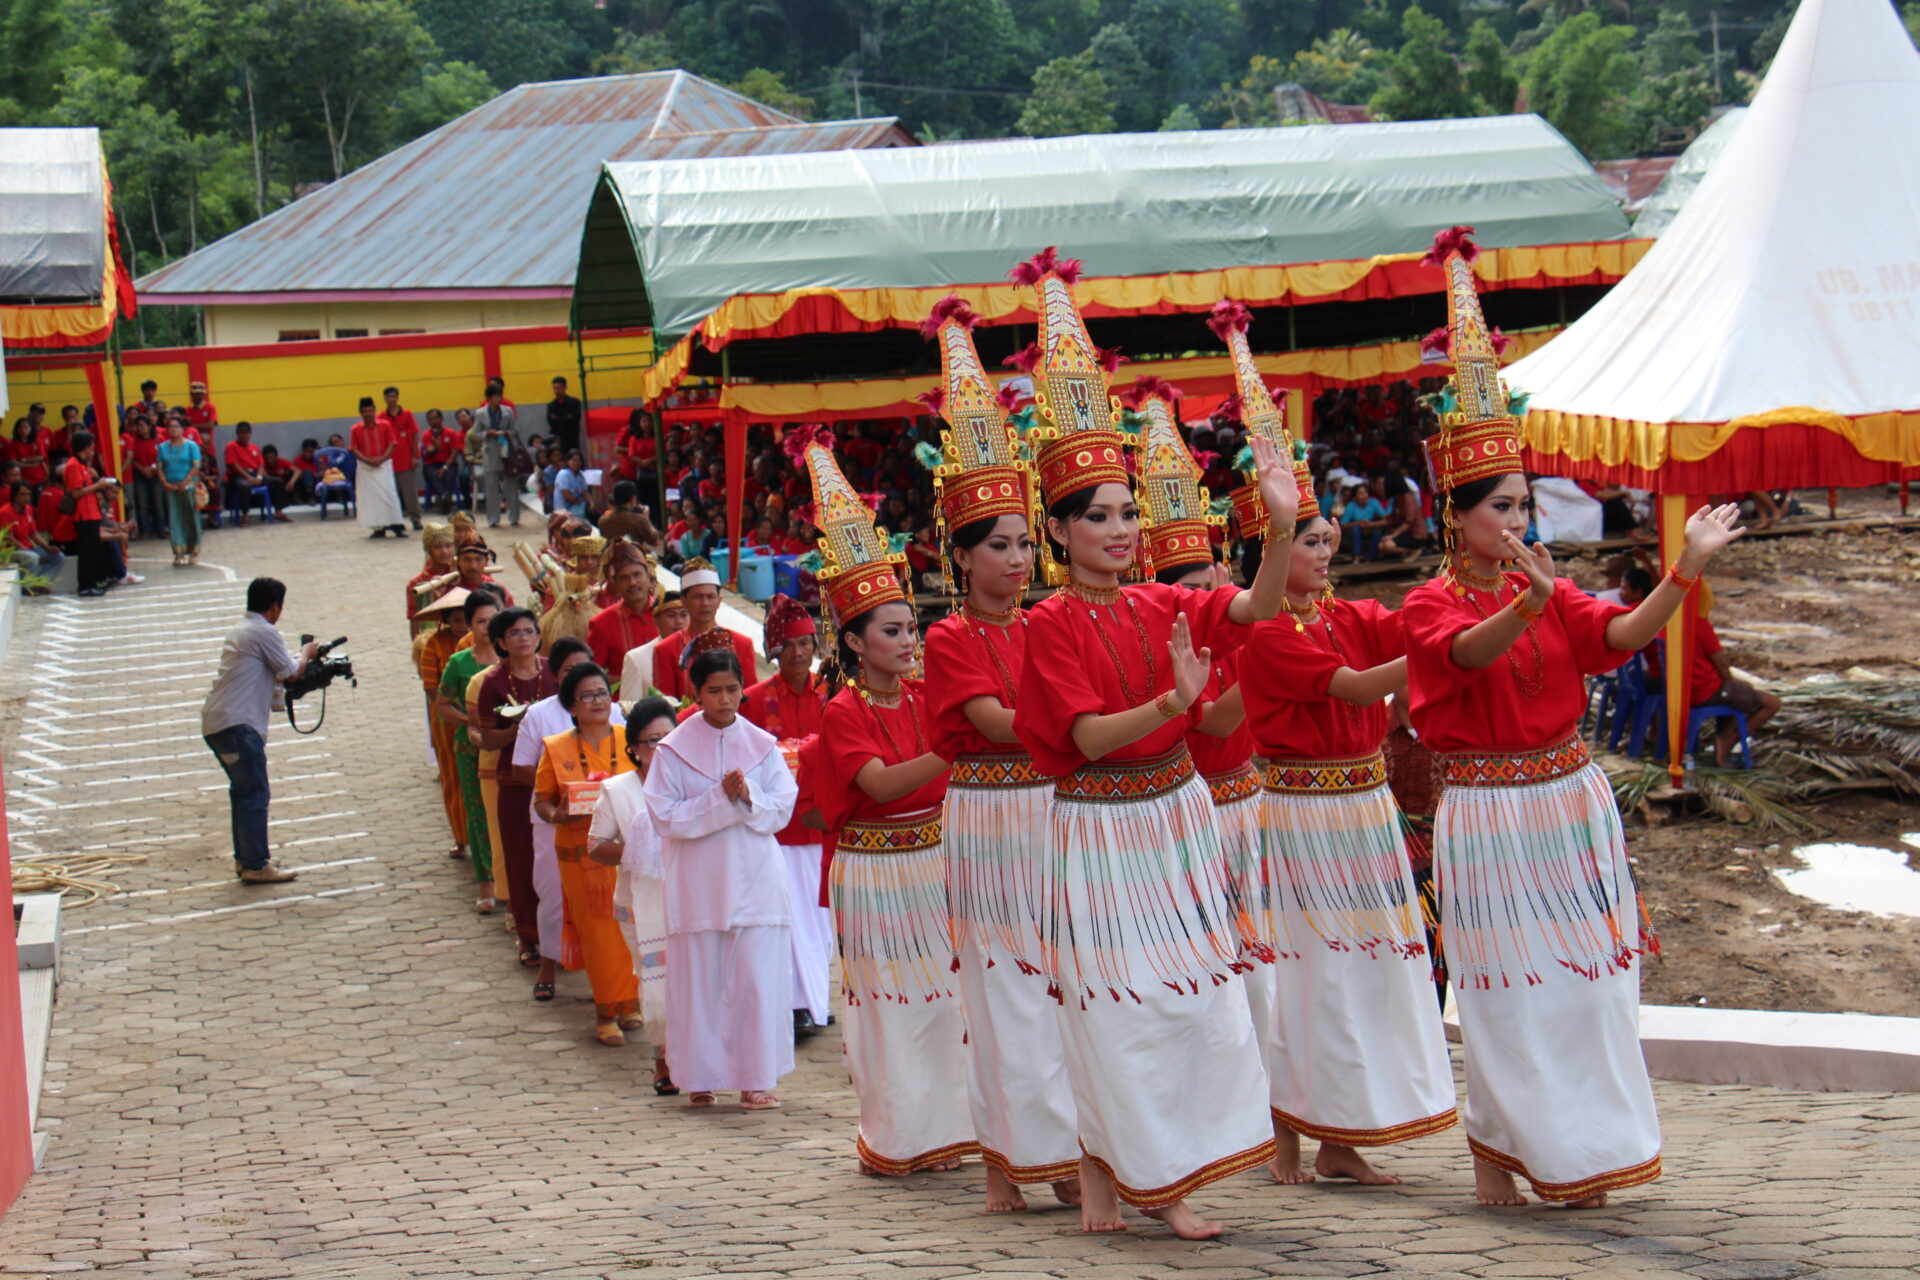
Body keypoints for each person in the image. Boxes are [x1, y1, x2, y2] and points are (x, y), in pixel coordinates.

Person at [1401, 227, 1745, 1209]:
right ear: (1456, 513)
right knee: (1510, 987)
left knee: (1590, 984)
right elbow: (1462, 657)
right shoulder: (1434, 601)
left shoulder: (1549, 588)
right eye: (1501, 505)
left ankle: (1586, 1145)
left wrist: (1686, 566)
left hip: (1568, 801)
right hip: (1490, 809)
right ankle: (1498, 1144)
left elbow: (1626, 629)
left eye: (1523, 503)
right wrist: (1522, 601)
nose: (1518, 521)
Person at [1006, 268, 1296, 1239]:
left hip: (1174, 816)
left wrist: (1284, 520)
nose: (1122, 533)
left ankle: (1137, 1176)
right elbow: (1086, 738)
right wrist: (1171, 702)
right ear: (1056, 529)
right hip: (1101, 825)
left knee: (1189, 998)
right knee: (1115, 1005)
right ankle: (1133, 1180)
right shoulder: (1047, 623)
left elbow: (1254, 606)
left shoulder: (1164, 600)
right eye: (1099, 517)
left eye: (1130, 515)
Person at [1239, 468, 1456, 1187]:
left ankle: (1339, 1135)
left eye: (1327, 536)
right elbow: (1358, 686)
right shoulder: (1267, 631)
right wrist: (1441, 650)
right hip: (1303, 816)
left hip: (1365, 808)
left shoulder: (1348, 615)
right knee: (1309, 976)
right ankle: (1287, 1134)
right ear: (1270, 549)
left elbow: (1421, 628)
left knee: (1363, 972)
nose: (1325, 548)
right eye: (1309, 539)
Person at [915, 296, 1080, 1212]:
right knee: (1001, 986)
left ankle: (1064, 1149)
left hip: (1054, 806)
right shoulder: (946, 642)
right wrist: (1100, 726)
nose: (1018, 560)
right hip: (989, 811)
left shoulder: (1052, 622)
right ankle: (1004, 1162)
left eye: (1025, 543)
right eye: (1001, 546)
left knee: (1058, 981)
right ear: (962, 552)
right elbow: (998, 722)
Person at [800, 435, 974, 1178]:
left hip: (935, 861)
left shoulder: (932, 697)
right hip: (875, 870)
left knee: (947, 1006)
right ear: (854, 640)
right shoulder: (843, 711)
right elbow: (876, 786)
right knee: (893, 1009)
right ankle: (899, 1138)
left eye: (912, 628)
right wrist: (960, 750)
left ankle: (953, 1130)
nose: (910, 641)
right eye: (893, 631)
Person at [644, 648, 799, 1109]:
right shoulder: (673, 750)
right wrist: (720, 798)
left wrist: (747, 794)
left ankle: (756, 1079)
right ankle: (700, 1077)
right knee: (701, 981)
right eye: (714, 691)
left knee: (755, 979)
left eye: (732, 689)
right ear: (695, 693)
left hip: (754, 876)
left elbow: (782, 808)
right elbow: (664, 816)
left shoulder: (762, 746)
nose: (725, 699)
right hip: (700, 880)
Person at [739, 594, 833, 1039]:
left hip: (825, 822)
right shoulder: (754, 701)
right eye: (789, 645)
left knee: (822, 921)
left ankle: (818, 1000)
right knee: (789, 917)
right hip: (778, 830)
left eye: (805, 643)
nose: (798, 653)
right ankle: (797, 1003)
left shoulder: (834, 693)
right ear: (774, 651)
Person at [512, 636, 627, 996]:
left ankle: (620, 989)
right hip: (562, 833)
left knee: (616, 911)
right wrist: (565, 803)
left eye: (601, 691)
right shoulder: (541, 716)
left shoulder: (622, 725)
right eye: (571, 674)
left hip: (616, 839)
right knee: (555, 897)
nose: (595, 699)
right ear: (558, 680)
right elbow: (524, 773)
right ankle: (549, 964)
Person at [533, 662, 640, 1045]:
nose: (597, 701)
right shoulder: (556, 747)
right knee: (598, 932)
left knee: (633, 925)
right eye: (587, 696)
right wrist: (557, 814)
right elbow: (542, 800)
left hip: (629, 851)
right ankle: (605, 1011)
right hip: (581, 857)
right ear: (571, 705)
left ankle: (631, 1002)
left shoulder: (631, 740)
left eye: (602, 693)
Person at [588, 695, 678, 1094]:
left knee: (696, 981)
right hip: (642, 903)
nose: (660, 749)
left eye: (668, 739)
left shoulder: (693, 785)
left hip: (692, 899)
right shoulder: (618, 790)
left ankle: (700, 1060)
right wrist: (633, 851)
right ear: (635, 749)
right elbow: (596, 846)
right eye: (651, 741)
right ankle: (662, 1059)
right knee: (657, 981)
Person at [201, 578, 318, 884]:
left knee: (243, 793)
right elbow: (292, 671)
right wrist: (307, 652)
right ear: (274, 605)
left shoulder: (244, 629)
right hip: (237, 724)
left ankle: (247, 858)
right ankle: (255, 863)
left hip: (219, 720)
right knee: (254, 793)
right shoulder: (262, 631)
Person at [477, 607, 558, 989]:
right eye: (514, 632)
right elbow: (487, 738)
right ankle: (528, 937)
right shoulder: (493, 683)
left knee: (558, 861)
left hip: (557, 776)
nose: (524, 637)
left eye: (529, 630)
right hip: (514, 781)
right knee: (522, 859)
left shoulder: (555, 672)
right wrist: (517, 728)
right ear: (500, 642)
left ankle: (563, 937)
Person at [437, 589, 501, 913]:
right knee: (478, 815)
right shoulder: (459, 663)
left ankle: (508, 878)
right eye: (480, 621)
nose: (487, 628)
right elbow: (442, 704)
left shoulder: (513, 660)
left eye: (493, 620)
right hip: (470, 748)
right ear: (470, 626)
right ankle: (486, 881)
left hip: (507, 747)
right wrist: (469, 718)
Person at [414, 586, 471, 864]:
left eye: (467, 619)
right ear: (446, 620)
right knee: (453, 779)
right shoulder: (433, 645)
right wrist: (457, 710)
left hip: (478, 721)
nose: (463, 626)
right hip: (447, 723)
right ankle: (460, 837)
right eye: (457, 620)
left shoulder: (480, 643)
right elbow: (432, 689)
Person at [650, 559, 756, 701]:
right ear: (683, 601)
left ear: (719, 601)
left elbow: (750, 698)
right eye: (697, 597)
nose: (704, 603)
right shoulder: (666, 649)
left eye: (710, 597)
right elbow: (667, 704)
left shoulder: (742, 644)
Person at [587, 540, 659, 687]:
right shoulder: (601, 624)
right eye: (624, 577)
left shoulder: (668, 612)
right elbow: (591, 674)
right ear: (615, 583)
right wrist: (628, 680)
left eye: (637, 574)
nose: (632, 582)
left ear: (648, 576)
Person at [60, 431, 119, 597]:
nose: (93, 451)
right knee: (87, 552)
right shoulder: (73, 466)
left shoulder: (83, 465)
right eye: (92, 447)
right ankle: (85, 586)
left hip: (91, 513)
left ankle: (93, 582)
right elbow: (76, 493)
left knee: (93, 550)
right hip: (83, 514)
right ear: (86, 448)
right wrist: (97, 485)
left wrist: (97, 480)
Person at [351, 396, 406, 538]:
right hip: (365, 467)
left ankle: (396, 524)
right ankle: (378, 527)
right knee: (371, 499)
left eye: (370, 411)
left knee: (389, 494)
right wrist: (367, 460)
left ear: (374, 410)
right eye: (365, 411)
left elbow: (392, 443)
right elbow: (353, 448)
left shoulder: (385, 425)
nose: (368, 414)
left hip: (383, 465)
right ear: (360, 412)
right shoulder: (356, 429)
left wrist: (381, 459)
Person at [473, 379, 519, 528]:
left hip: (506, 449)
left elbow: (515, 430)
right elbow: (476, 433)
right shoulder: (480, 413)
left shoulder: (507, 411)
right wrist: (488, 433)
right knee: (491, 486)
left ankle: (513, 517)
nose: (498, 399)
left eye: (499, 396)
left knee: (510, 484)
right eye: (495, 396)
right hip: (490, 450)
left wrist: (505, 432)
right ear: (489, 398)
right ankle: (493, 518)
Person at [157, 419, 204, 566]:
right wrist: (164, 482)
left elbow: (196, 466)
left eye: (177, 426)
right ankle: (178, 553)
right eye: (170, 426)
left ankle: (193, 551)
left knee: (191, 517)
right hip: (171, 487)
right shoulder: (163, 447)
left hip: (189, 486)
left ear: (183, 429)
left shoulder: (191, 446)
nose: (173, 429)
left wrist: (186, 481)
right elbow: (159, 467)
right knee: (175, 519)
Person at [377, 386, 423, 530]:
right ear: (384, 398)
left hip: (406, 459)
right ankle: (393, 521)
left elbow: (415, 436)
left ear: (397, 397)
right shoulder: (380, 417)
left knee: (410, 493)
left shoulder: (407, 414)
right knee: (391, 494)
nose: (391, 399)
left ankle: (416, 519)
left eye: (393, 396)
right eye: (388, 396)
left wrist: (415, 456)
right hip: (388, 461)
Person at [1, 481, 63, 580]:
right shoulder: (5, 512)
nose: (27, 497)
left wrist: (47, 547)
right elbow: (9, 538)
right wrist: (26, 549)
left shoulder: (28, 509)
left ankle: (41, 582)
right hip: (12, 551)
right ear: (14, 496)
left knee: (58, 556)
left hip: (28, 548)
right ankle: (29, 586)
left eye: (29, 494)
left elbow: (33, 533)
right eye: (23, 494)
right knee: (32, 557)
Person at [224, 422, 280, 525]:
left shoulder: (255, 448)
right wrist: (248, 477)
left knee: (277, 481)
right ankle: (245, 515)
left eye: (247, 433)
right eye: (242, 433)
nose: (245, 435)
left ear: (250, 434)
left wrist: (258, 477)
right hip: (238, 475)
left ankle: (279, 512)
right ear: (237, 434)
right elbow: (233, 465)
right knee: (245, 486)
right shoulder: (231, 446)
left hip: (254, 474)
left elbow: (260, 465)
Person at [124, 414, 165, 540]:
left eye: (142, 425)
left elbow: (162, 458)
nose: (139, 428)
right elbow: (133, 459)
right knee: (142, 504)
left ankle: (161, 530)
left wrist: (152, 468)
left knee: (158, 504)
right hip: (140, 475)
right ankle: (144, 531)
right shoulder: (133, 441)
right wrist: (142, 469)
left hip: (156, 474)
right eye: (137, 425)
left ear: (149, 426)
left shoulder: (159, 439)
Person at [597, 480, 657, 549]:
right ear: (632, 499)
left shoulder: (603, 520)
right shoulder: (638, 520)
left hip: (611, 558)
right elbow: (653, 540)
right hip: (634, 557)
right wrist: (646, 518)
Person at [546, 377, 583, 456]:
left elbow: (575, 418)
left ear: (565, 387)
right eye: (554, 388)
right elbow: (551, 422)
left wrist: (558, 419)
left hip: (571, 439)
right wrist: (567, 417)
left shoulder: (574, 402)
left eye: (559, 388)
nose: (556, 391)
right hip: (558, 439)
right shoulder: (551, 405)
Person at [554, 450, 590, 519]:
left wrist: (591, 503)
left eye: (579, 461)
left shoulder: (580, 475)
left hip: (576, 505)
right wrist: (581, 503)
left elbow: (585, 491)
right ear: (568, 461)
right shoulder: (564, 474)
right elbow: (567, 495)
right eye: (574, 460)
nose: (577, 463)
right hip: (564, 509)